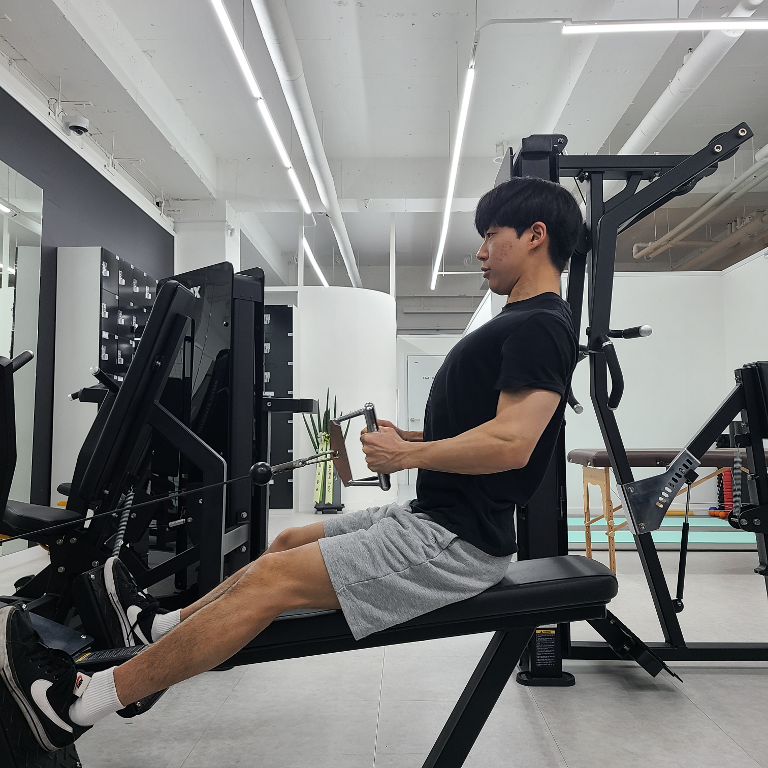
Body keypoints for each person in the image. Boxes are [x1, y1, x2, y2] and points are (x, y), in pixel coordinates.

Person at [0, 175, 582, 753]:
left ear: (535, 235)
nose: (481, 251)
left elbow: (514, 444)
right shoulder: (522, 322)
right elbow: (487, 425)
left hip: (457, 540)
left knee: (271, 583)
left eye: (491, 235)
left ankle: (74, 708)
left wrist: (408, 454)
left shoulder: (540, 325)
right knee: (285, 543)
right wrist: (412, 436)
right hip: (434, 516)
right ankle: (159, 629)